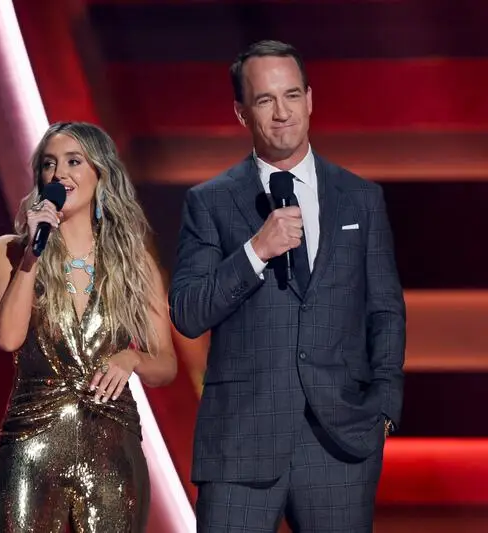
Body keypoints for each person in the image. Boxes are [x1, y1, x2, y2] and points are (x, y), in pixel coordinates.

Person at [169, 40, 406, 532]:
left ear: (310, 100)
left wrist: (384, 404)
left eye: (292, 96)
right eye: (264, 100)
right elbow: (188, 312)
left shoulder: (360, 199)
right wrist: (256, 251)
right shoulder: (209, 203)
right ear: (241, 113)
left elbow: (385, 310)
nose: (282, 113)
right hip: (240, 442)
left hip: (340, 444)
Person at [0, 121, 177, 532]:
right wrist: (33, 256)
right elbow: (10, 337)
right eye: (49, 164)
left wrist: (131, 357)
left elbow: (166, 367)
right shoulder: (11, 250)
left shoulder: (132, 262)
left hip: (112, 448)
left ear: (100, 173)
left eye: (74, 161)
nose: (60, 174)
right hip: (32, 445)